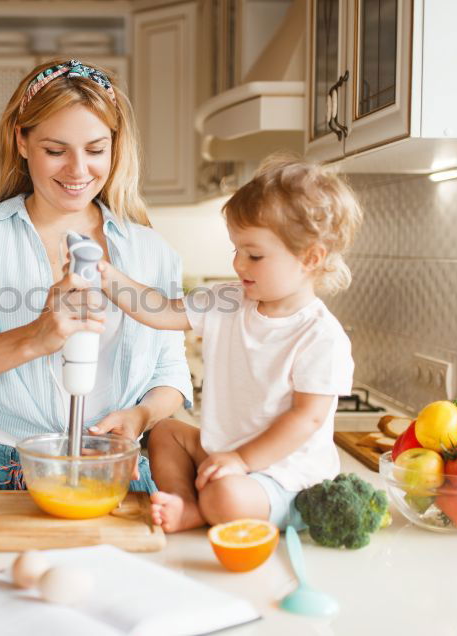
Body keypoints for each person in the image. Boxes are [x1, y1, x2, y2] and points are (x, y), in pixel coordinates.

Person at [0, 58, 193, 492]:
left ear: (115, 146)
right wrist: (35, 336)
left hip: (116, 472)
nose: (77, 171)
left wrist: (140, 417)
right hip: (0, 475)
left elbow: (170, 371)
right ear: (22, 141)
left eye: (95, 150)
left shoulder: (151, 251)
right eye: (56, 151)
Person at [96, 154, 363, 532]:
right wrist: (106, 276)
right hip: (227, 458)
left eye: (254, 255)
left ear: (310, 258)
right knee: (167, 432)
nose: (239, 264)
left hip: (285, 477)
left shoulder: (321, 336)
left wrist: (242, 460)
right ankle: (186, 504)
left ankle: (203, 510)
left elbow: (307, 419)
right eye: (236, 250)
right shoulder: (228, 300)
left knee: (227, 496)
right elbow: (160, 310)